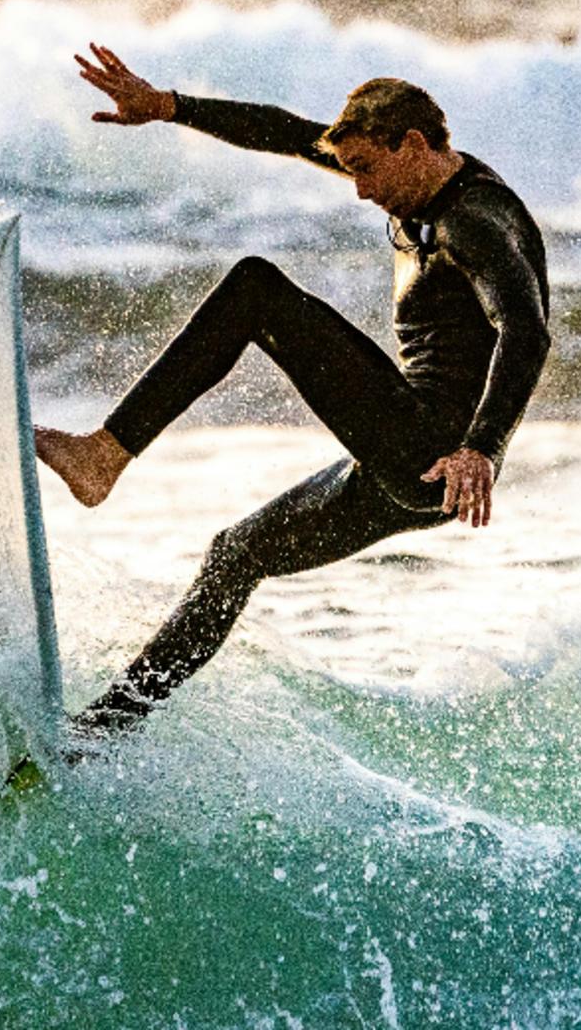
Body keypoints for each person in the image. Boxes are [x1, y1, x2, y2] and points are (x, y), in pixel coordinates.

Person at [38, 43, 551, 738]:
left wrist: (480, 451)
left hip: (434, 452)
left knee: (256, 290)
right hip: (408, 466)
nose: (360, 190)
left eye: (367, 169)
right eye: (349, 171)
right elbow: (281, 130)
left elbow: (526, 328)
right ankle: (100, 732)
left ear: (411, 144)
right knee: (236, 554)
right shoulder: (411, 183)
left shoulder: (473, 222)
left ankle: (105, 454)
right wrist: (168, 107)